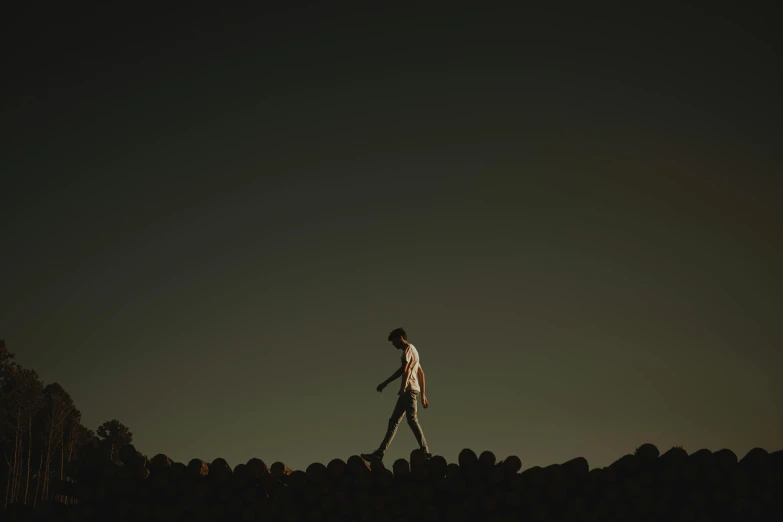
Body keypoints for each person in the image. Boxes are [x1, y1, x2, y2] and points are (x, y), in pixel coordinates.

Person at [362, 327, 431, 462]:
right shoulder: (414, 351)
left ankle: (425, 451)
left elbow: (404, 370)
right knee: (394, 421)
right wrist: (423, 395)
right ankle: (379, 453)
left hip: (409, 390)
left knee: (411, 419)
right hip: (411, 390)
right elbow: (421, 374)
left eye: (393, 341)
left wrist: (400, 386)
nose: (393, 345)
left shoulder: (408, 349)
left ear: (400, 337)